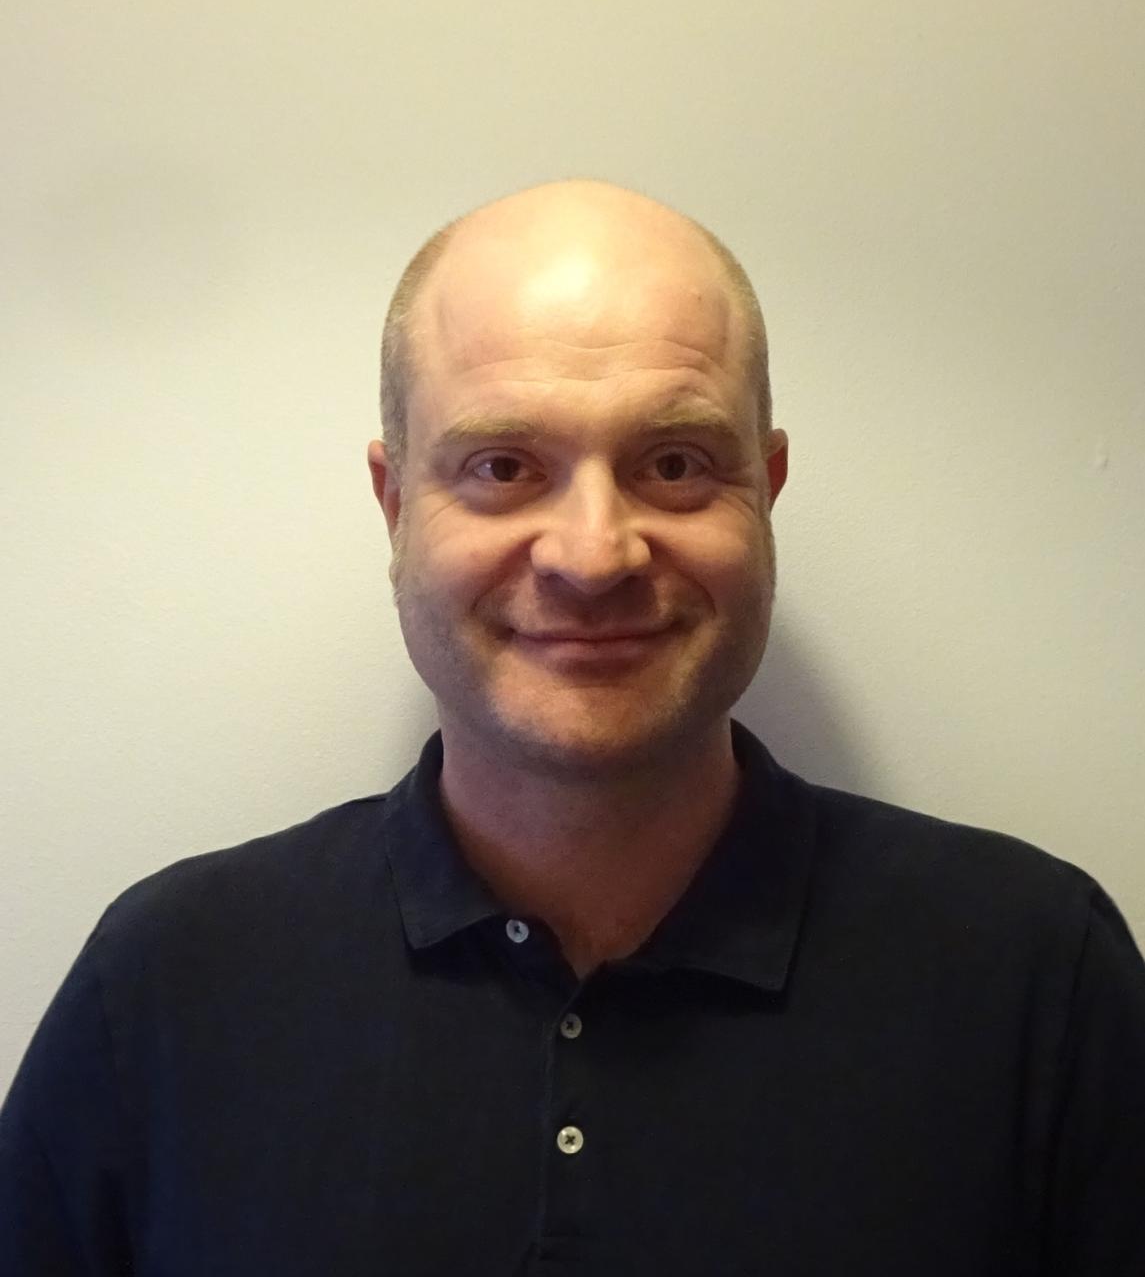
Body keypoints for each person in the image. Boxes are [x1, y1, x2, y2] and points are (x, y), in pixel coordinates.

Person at [1, 179, 1143, 1275]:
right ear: (394, 504)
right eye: (502, 466)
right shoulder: (167, 984)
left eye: (674, 464)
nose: (593, 555)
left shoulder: (1036, 977)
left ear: (766, 487)